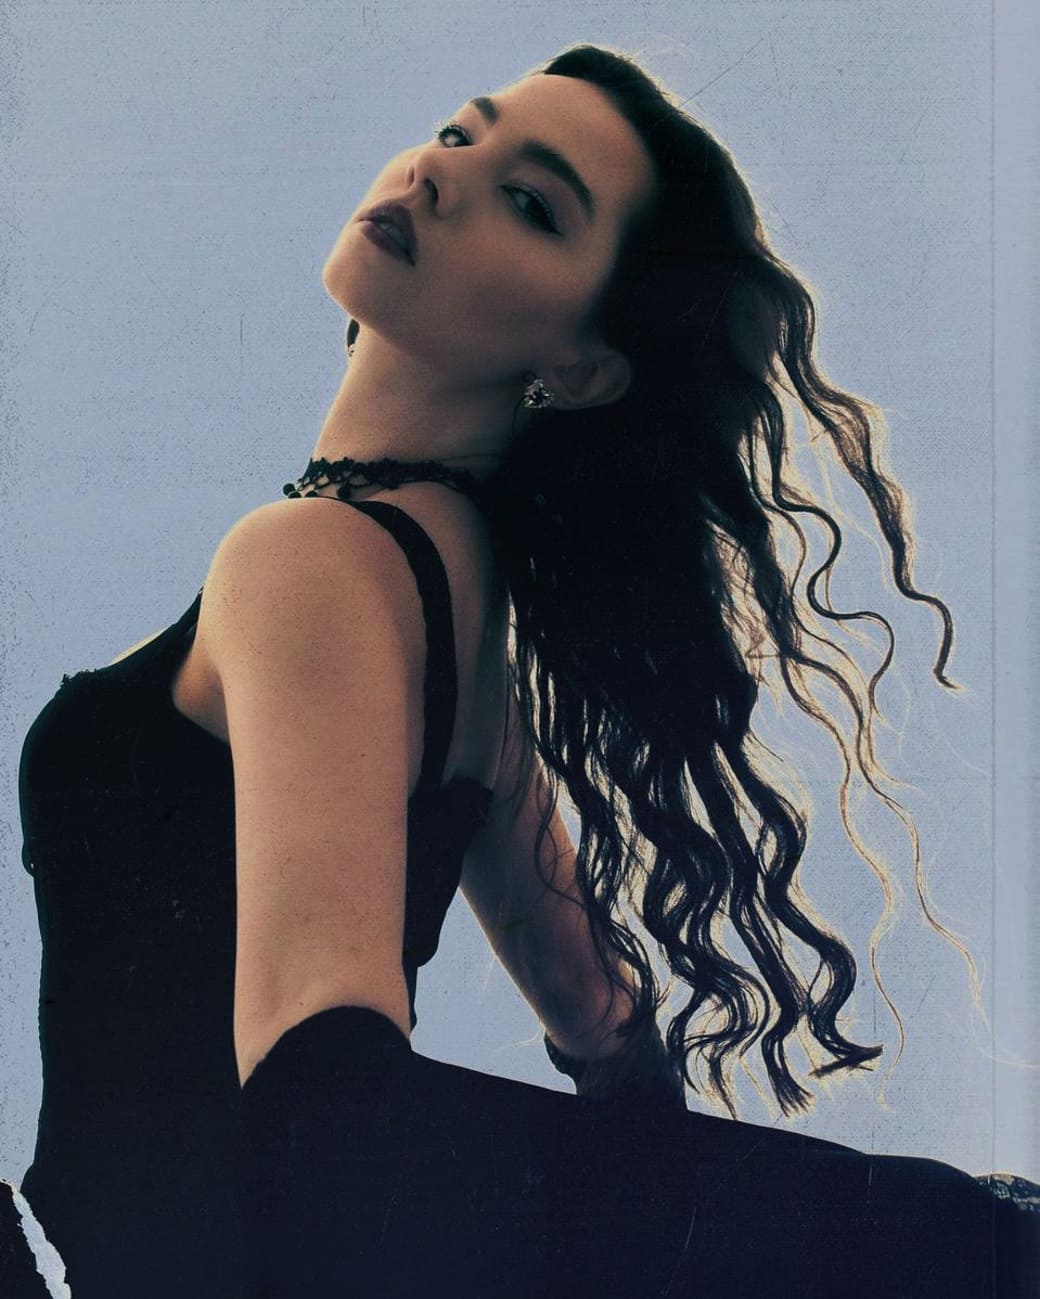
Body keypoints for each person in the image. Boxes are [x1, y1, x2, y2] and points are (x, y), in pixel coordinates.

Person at [4, 41, 1037, 1299]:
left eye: (531, 203)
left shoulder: (309, 558)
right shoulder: (461, 611)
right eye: (458, 135)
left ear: (581, 365)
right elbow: (602, 1022)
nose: (437, 175)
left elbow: (315, 1082)